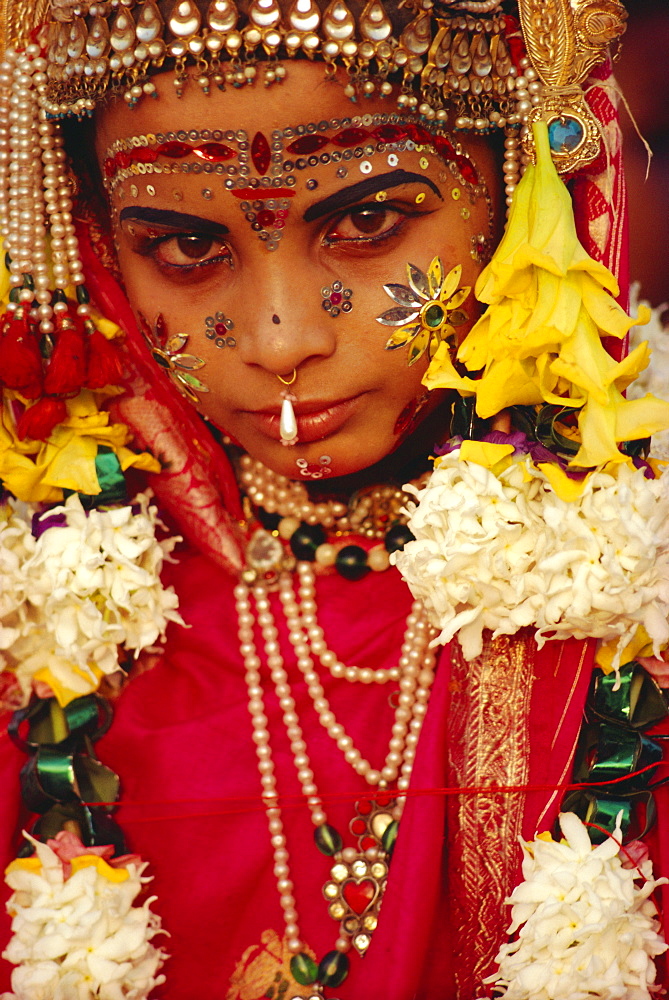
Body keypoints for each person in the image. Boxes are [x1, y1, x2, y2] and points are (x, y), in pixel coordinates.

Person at [0, 1, 668, 998]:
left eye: (364, 221)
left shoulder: (639, 580)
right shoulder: (44, 620)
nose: (280, 339)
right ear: (95, 242)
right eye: (186, 248)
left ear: (528, 187)